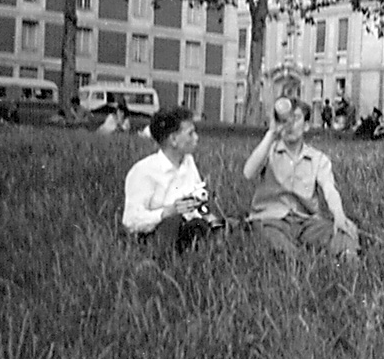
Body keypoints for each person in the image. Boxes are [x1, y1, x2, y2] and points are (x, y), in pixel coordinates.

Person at [243, 97, 360, 262]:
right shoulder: (269, 152)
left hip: (305, 222)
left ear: (306, 126)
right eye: (285, 119)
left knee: (344, 232)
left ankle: (347, 258)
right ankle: (297, 260)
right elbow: (248, 173)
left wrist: (339, 215)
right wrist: (271, 134)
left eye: (295, 118)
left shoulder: (318, 159)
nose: (289, 124)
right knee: (275, 241)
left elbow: (329, 189)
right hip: (271, 219)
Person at [122, 106, 224, 255]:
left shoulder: (188, 163)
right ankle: (159, 260)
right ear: (173, 140)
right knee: (173, 223)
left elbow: (197, 200)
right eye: (190, 134)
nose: (196, 138)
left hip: (190, 227)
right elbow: (130, 220)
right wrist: (166, 212)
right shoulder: (144, 171)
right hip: (157, 233)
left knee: (226, 225)